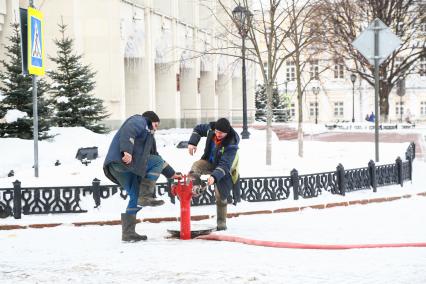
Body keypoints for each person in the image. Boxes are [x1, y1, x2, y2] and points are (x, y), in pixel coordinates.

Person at [103, 111, 180, 242]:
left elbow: (156, 158)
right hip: (123, 161)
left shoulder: (148, 137)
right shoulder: (140, 120)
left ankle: (128, 233)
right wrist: (126, 150)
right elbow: (129, 130)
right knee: (143, 191)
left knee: (135, 196)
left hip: (118, 168)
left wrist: (172, 174)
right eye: (156, 125)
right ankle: (145, 195)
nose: (156, 128)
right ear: (150, 120)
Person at [187, 118, 240, 231]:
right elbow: (198, 129)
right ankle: (196, 186)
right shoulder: (211, 130)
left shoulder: (232, 143)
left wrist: (214, 177)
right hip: (209, 162)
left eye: (221, 133)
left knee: (220, 196)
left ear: (227, 132)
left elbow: (225, 165)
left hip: (224, 169)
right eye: (216, 131)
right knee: (196, 166)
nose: (218, 134)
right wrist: (192, 142)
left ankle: (221, 222)